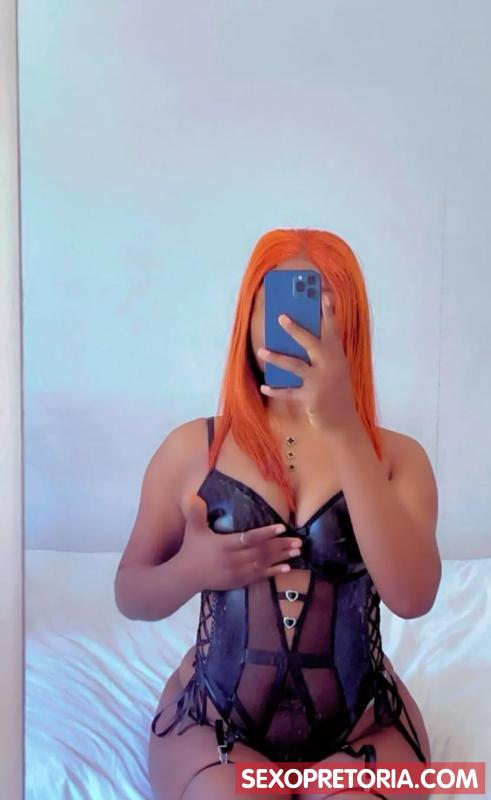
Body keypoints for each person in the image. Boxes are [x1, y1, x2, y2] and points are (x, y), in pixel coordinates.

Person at [114, 228, 440, 800]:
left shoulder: (396, 457)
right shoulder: (192, 451)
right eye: (279, 306)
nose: (297, 326)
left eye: (323, 309)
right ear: (248, 316)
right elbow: (130, 594)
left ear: (351, 325)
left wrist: (343, 427)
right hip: (215, 722)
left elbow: (413, 598)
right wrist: (192, 570)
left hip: (364, 725)